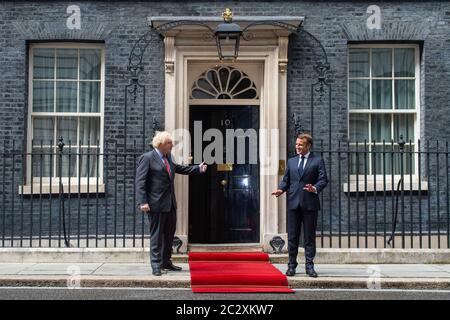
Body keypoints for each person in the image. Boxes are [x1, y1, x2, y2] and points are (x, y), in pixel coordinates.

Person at [135, 131, 207, 276]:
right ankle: (156, 264)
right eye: (169, 143)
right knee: (156, 235)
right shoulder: (148, 158)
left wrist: (197, 169)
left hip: (170, 204)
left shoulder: (168, 158)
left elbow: (179, 168)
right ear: (161, 144)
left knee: (169, 235)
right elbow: (140, 182)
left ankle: (166, 261)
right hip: (155, 204)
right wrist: (143, 202)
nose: (172, 145)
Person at [272, 133, 328, 278]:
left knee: (309, 237)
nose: (297, 147)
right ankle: (291, 266)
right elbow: (286, 180)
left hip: (310, 204)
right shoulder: (291, 162)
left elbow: (323, 179)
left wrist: (314, 188)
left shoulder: (317, 160)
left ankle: (309, 266)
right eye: (296, 144)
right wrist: (281, 189)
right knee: (292, 237)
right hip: (293, 204)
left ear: (308, 146)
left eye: (300, 144)